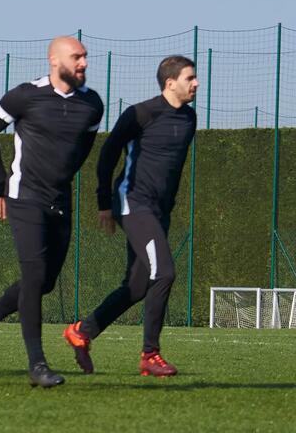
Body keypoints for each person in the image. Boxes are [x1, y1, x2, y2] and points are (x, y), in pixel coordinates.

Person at [0, 36, 105, 388]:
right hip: (24, 198)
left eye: (85, 57)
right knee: (33, 275)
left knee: (44, 283)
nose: (84, 63)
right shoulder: (25, 95)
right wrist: (1, 181)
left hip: (60, 201)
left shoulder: (93, 105)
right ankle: (37, 364)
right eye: (77, 57)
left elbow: (82, 149)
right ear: (54, 59)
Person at [61, 55, 198, 377]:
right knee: (164, 273)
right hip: (133, 203)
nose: (196, 83)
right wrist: (103, 204)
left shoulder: (189, 119)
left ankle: (82, 331)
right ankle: (150, 354)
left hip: (159, 211)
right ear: (170, 83)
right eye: (190, 78)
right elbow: (107, 156)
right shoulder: (141, 113)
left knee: (137, 286)